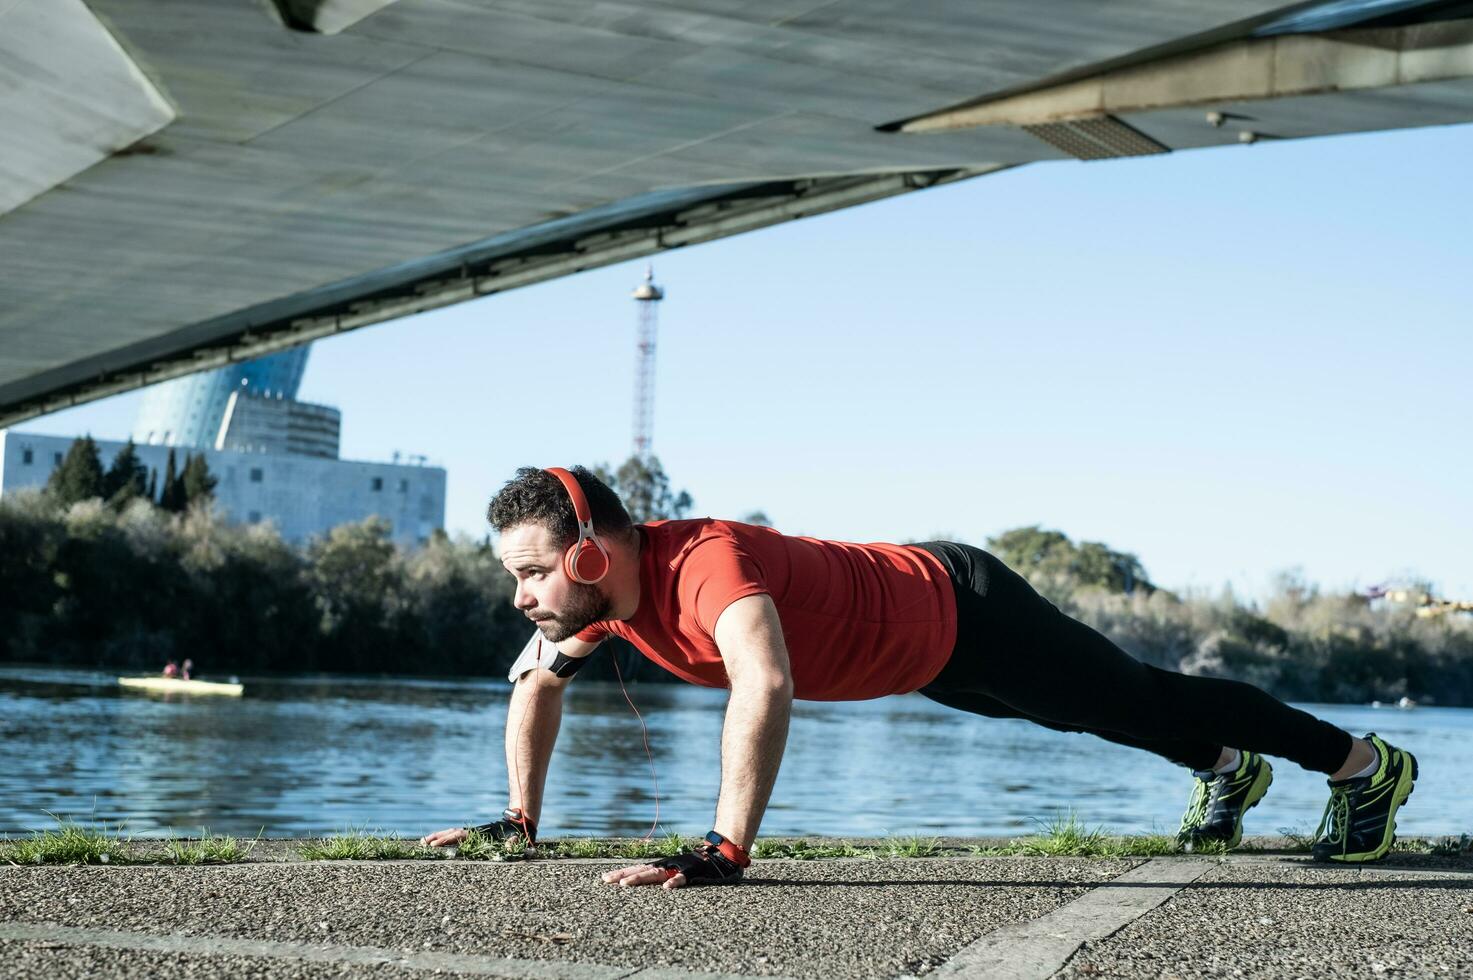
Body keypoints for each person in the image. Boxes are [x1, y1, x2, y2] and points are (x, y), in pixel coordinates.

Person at [421, 466, 1419, 887]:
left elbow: (762, 685)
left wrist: (726, 848)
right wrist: (519, 818)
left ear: (591, 556)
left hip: (964, 606)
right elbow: (534, 679)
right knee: (1093, 717)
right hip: (927, 659)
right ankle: (1226, 768)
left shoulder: (707, 565)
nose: (522, 595)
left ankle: (1361, 764)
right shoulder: (601, 602)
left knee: (1138, 696)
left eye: (531, 572)